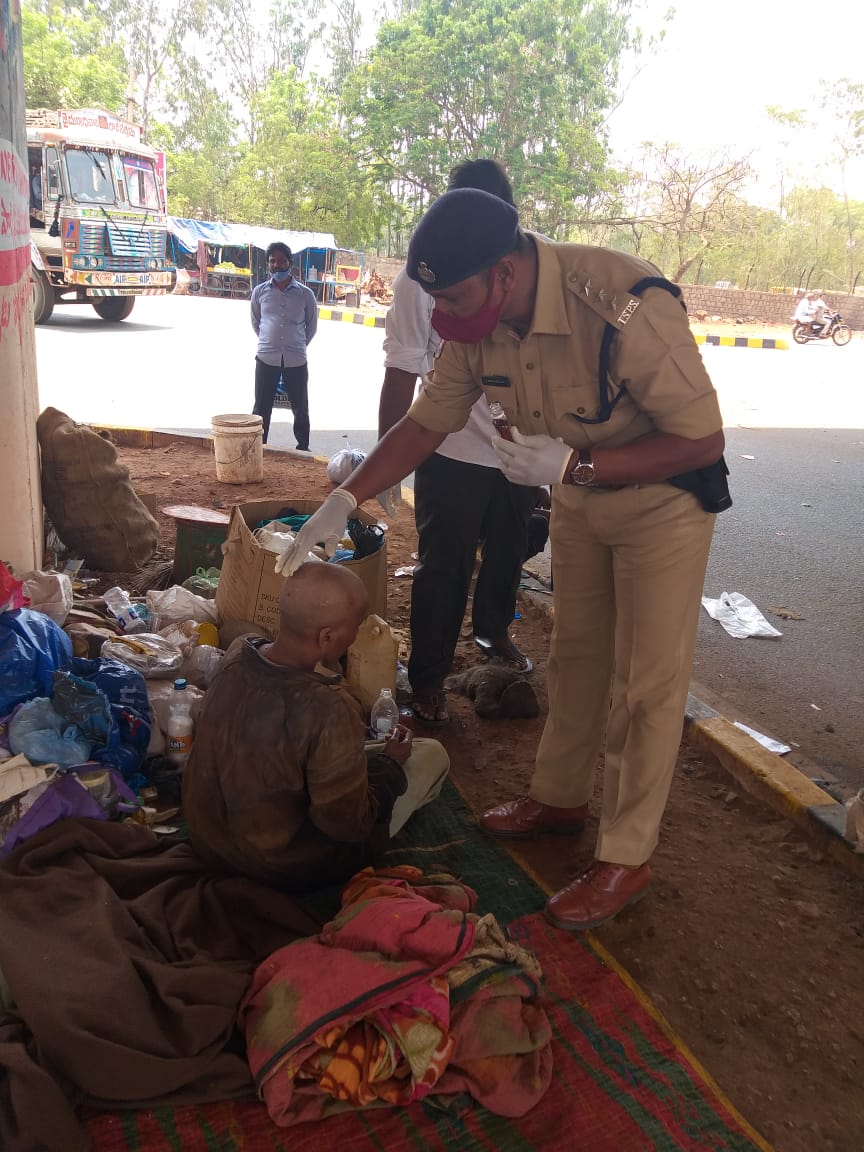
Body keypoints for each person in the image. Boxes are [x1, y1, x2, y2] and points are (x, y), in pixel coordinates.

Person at [274, 188, 728, 932]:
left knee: (645, 683)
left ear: (506, 273)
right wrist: (345, 501)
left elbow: (703, 441)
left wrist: (575, 465)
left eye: (454, 295)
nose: (447, 314)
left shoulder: (622, 301)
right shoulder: (477, 322)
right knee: (576, 656)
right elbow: (427, 423)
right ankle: (558, 798)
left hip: (662, 505)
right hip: (580, 498)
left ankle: (625, 856)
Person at [379, 159, 537, 725]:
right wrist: (384, 471)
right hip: (450, 451)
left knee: (508, 552)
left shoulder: (526, 277)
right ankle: (427, 682)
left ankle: (493, 638)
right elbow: (401, 370)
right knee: (443, 569)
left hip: (523, 453)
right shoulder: (422, 279)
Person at [182, 563, 449, 891]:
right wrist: (389, 767)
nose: (356, 635)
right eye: (356, 626)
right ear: (327, 636)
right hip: (282, 864)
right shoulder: (330, 708)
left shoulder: (239, 651)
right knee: (431, 755)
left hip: (207, 838)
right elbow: (348, 823)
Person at [250, 242, 318, 449]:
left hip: (296, 359)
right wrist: (270, 341)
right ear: (268, 265)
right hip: (266, 358)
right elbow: (256, 322)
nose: (277, 265)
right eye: (272, 261)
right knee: (261, 407)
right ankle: (258, 447)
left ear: (289, 262)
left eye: (281, 260)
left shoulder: (305, 295)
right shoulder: (259, 292)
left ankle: (303, 448)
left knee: (300, 407)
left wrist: (295, 344)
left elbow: (311, 326)